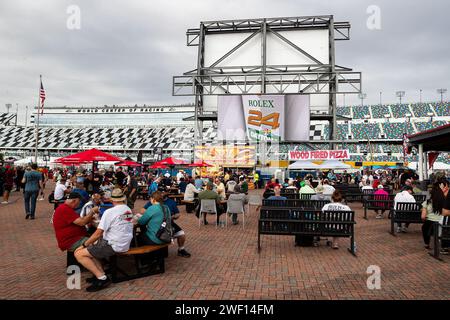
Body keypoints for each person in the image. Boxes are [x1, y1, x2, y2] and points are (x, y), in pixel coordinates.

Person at [74, 188, 134, 292]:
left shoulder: (110, 212)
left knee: (79, 253)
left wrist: (84, 244)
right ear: (122, 199)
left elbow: (98, 233)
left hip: (113, 245)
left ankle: (102, 278)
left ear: (112, 200)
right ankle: (100, 274)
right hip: (125, 243)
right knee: (93, 247)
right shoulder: (128, 209)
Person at [141, 192, 191, 257]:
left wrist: (171, 217)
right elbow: (142, 210)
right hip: (158, 223)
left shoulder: (170, 202)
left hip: (168, 222)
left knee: (181, 234)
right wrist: (152, 214)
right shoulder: (158, 205)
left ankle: (181, 249)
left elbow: (177, 214)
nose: (162, 193)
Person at [421, 182, 445, 250]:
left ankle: (427, 244)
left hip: (430, 223)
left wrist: (425, 219)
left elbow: (423, 216)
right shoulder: (445, 203)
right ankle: (444, 247)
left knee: (424, 227)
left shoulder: (427, 202)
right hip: (442, 223)